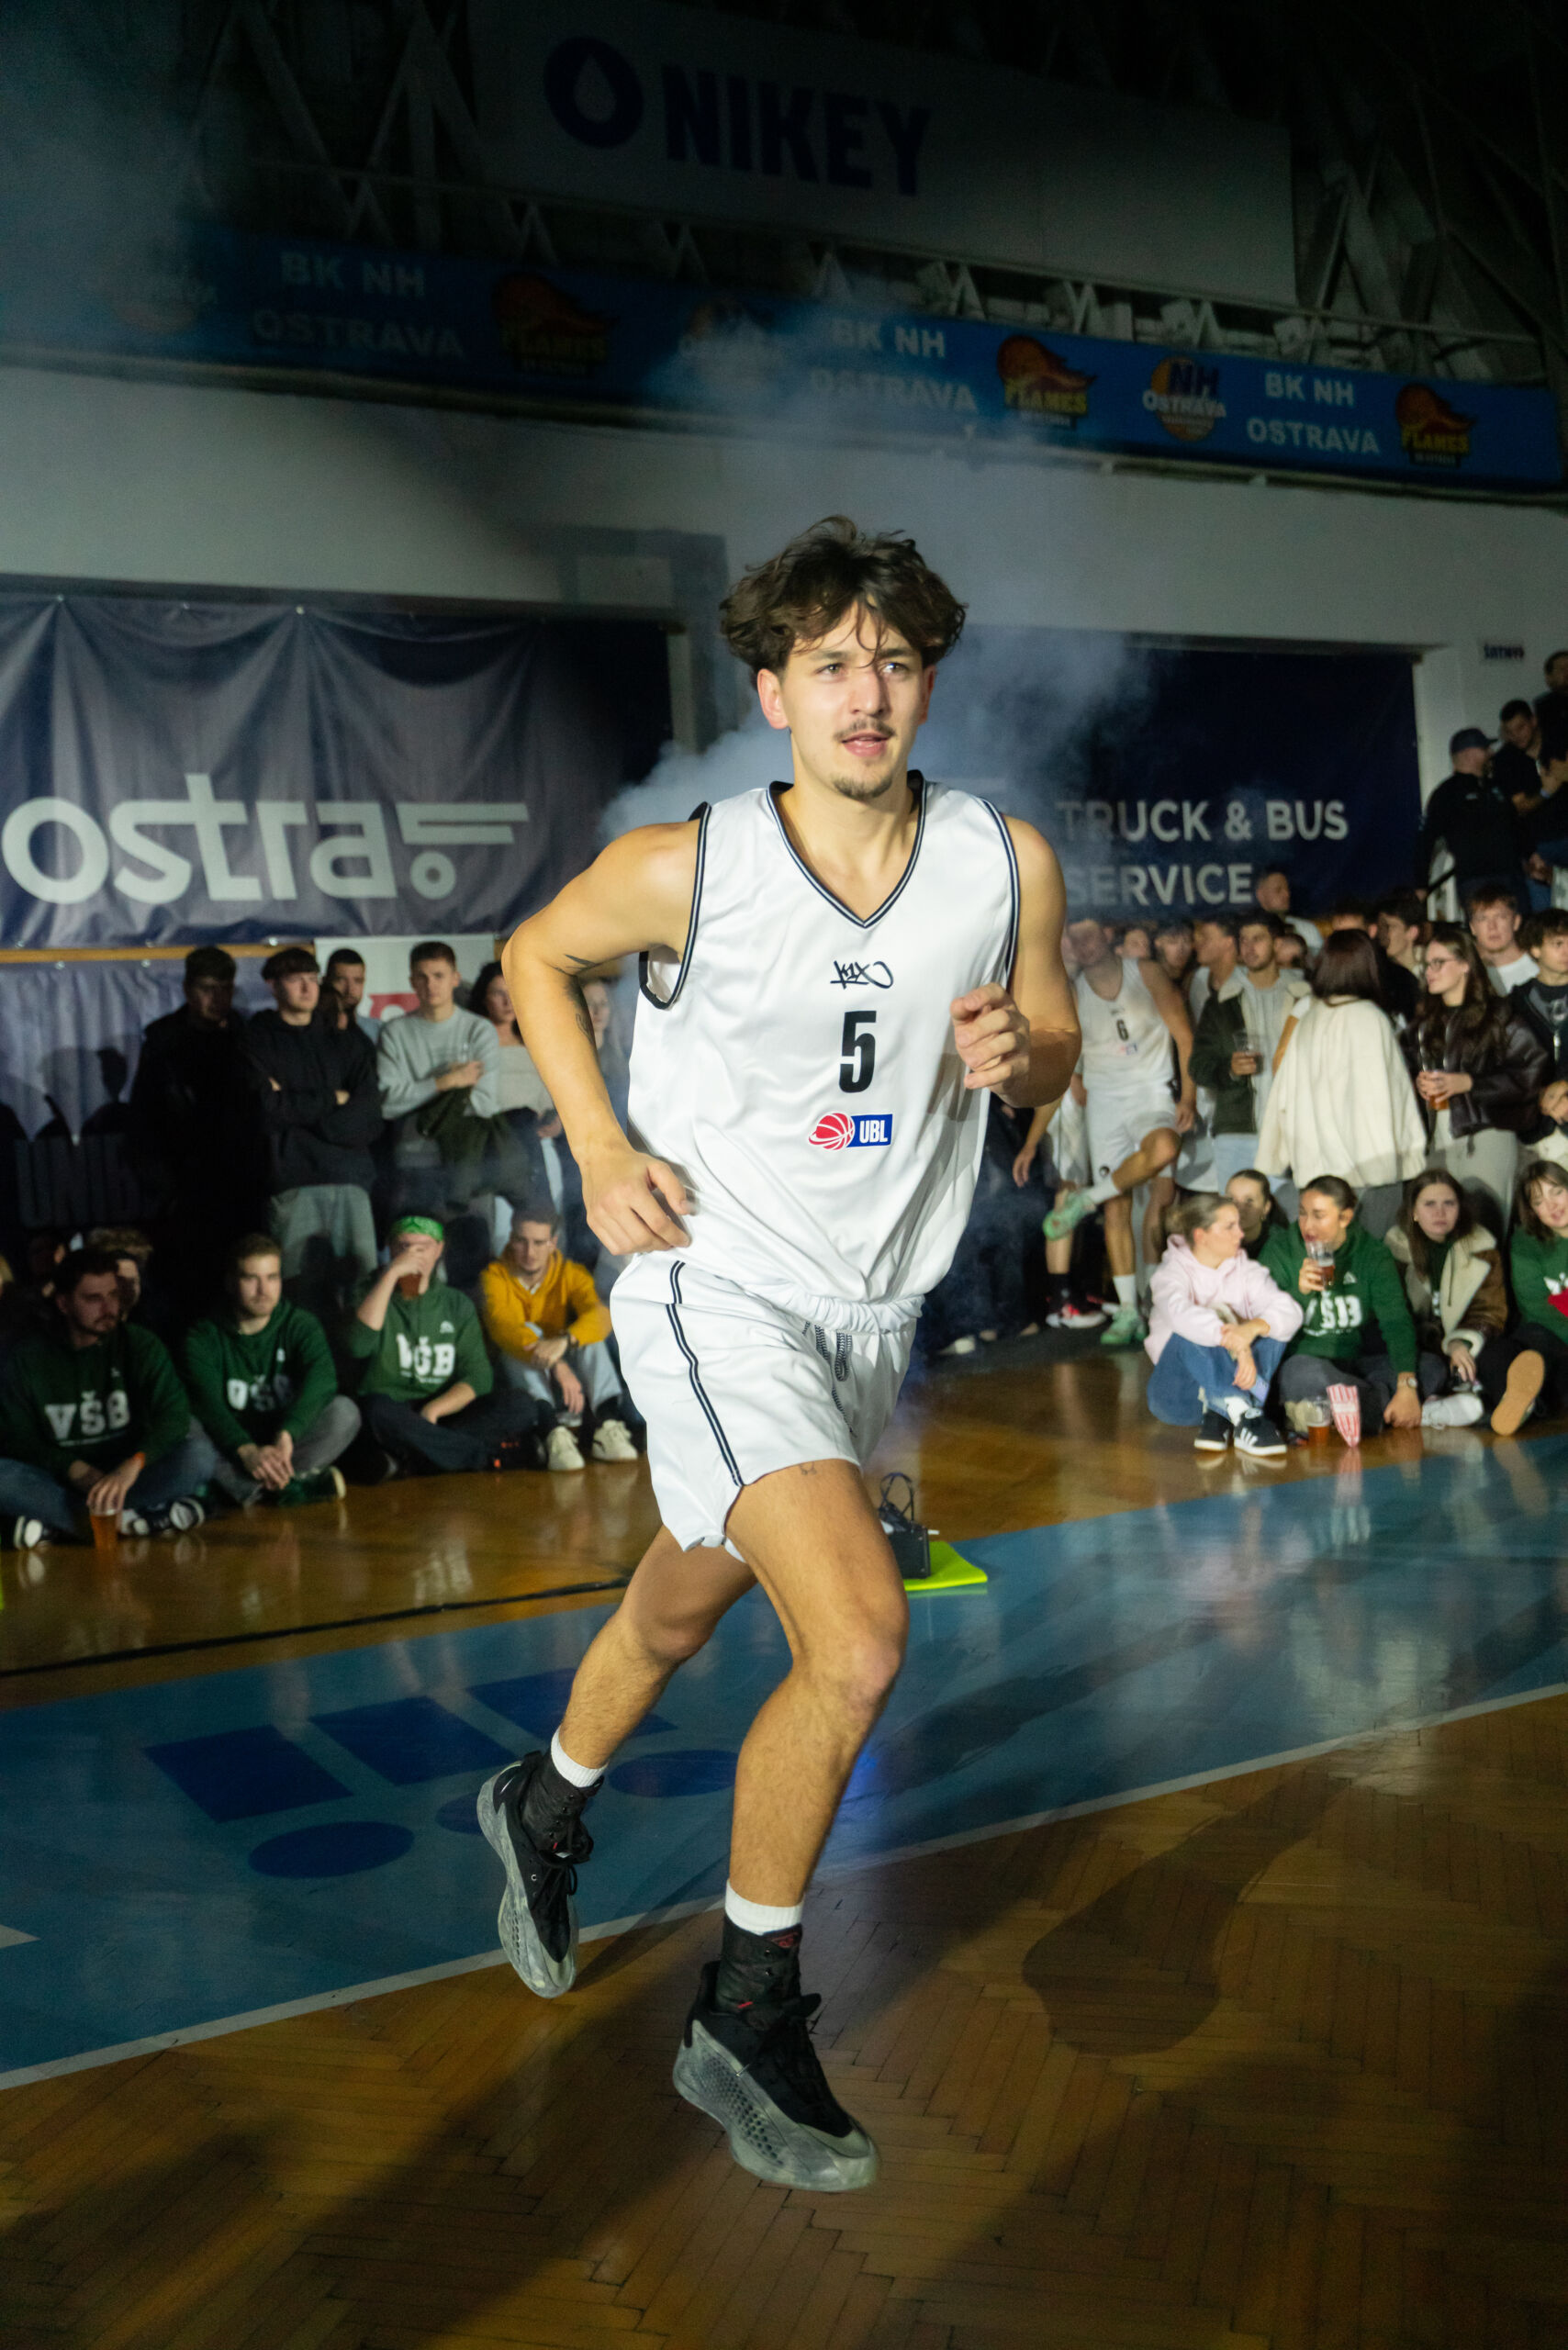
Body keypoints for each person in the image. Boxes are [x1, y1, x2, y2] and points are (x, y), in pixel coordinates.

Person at [487, 513, 1079, 2192]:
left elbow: (1051, 1044)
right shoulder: (694, 864)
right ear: (774, 691)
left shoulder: (1003, 860)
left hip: (867, 1317)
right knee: (861, 1638)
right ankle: (743, 2011)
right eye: (829, 665)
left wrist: (1022, 1054)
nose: (863, 692)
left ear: (928, 679)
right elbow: (535, 957)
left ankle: (542, 1801)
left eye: (891, 660)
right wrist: (598, 1143)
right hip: (711, 1286)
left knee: (683, 1599)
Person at [1043, 913, 1193, 1346]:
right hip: (1104, 1101)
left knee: (1164, 1148)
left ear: (1109, 935)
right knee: (1118, 1206)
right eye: (1074, 938)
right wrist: (1074, 1077)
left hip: (1152, 1093)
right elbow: (1064, 1044)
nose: (1082, 944)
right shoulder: (1073, 989)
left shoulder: (1145, 973)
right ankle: (1129, 1310)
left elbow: (1185, 1035)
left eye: (1088, 935)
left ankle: (1086, 1199)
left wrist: (1188, 1096)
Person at [0, 1248, 216, 1546]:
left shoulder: (139, 1344)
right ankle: (134, 1519)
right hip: (60, 1480)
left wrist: (133, 1464)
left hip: (127, 1478)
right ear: (64, 1303)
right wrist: (72, 1468)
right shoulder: (28, 1357)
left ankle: (66, 1525)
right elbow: (16, 1437)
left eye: (113, 1295)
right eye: (93, 1299)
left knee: (199, 1456)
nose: (108, 1308)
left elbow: (174, 1414)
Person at [346, 1214, 548, 1480]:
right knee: (374, 1411)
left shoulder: (456, 1304)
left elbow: (478, 1376)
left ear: (439, 1249)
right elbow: (357, 1346)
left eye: (422, 1247)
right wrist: (391, 1275)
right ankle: (488, 1458)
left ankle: (412, 1458)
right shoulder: (368, 1292)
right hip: (393, 1412)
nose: (413, 1256)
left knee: (521, 1405)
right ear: (391, 1249)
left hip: (441, 1412)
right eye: (404, 1247)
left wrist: (434, 1410)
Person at [127, 944, 265, 1318]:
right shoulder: (163, 1044)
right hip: (186, 1196)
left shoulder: (247, 1038)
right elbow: (143, 1124)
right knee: (191, 1296)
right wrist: (167, 1192)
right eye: (207, 989)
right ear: (188, 990)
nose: (217, 998)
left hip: (243, 1191)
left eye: (225, 989)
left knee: (245, 1291)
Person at [1256, 930, 1426, 1237]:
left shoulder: (1309, 1020)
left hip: (1316, 1169)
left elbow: (1284, 1096)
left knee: (1325, 1259)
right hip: (1371, 1170)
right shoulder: (1370, 1019)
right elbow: (1388, 1100)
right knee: (1371, 1255)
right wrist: (1409, 1156)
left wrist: (1280, 1154)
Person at [245, 947, 382, 1322]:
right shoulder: (257, 1040)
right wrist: (333, 1099)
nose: (307, 988)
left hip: (350, 1179)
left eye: (311, 978)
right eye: (295, 980)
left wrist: (296, 1107)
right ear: (273, 986)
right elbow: (264, 1110)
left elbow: (369, 1116)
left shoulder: (347, 1042)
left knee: (361, 1291)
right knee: (295, 1293)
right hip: (292, 1181)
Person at [185, 1234, 360, 1507]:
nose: (263, 1290)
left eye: (272, 1277)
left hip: (284, 1443)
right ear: (231, 1283)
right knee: (184, 1423)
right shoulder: (203, 1336)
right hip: (232, 1445)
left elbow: (322, 1381)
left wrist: (287, 1434)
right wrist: (245, 1450)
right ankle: (283, 1488)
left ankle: (255, 1488)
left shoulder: (300, 1324)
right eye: (251, 1278)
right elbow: (206, 1404)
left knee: (344, 1412)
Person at [1402, 924, 1545, 1227]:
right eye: (1427, 964)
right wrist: (1416, 1083)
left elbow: (1532, 1072)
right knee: (1442, 1233)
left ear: (1465, 964)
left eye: (1439, 963)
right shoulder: (1425, 1022)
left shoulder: (1498, 1016)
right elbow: (1405, 1068)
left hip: (1484, 1136)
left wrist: (1470, 1083)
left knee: (1484, 1229)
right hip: (1437, 1140)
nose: (1430, 972)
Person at [1260, 1176, 1426, 1431]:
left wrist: (1407, 1385)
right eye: (1302, 1213)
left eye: (1319, 1216)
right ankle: (1385, 1408)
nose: (1307, 1225)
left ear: (1345, 1218)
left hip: (1356, 1362)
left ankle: (1333, 1411)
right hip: (1305, 1361)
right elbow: (1263, 1321)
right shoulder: (1280, 1250)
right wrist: (1299, 1293)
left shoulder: (1371, 1253)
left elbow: (1395, 1321)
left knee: (1429, 1369)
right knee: (1301, 1376)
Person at [479, 1204, 637, 1470]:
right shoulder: (494, 1276)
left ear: (553, 1243)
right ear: (511, 1239)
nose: (530, 1252)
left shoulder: (569, 1273)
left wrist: (565, 1341)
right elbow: (503, 1327)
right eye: (522, 1241)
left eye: (539, 1243)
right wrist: (557, 1363)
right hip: (517, 1376)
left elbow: (601, 1315)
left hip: (562, 1365)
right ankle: (551, 1432)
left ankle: (607, 1424)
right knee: (525, 1336)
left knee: (589, 1337)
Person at [1144, 1192, 1300, 1453]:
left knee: (1274, 1326)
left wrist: (1251, 1329)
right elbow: (1181, 1314)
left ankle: (1225, 1414)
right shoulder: (1169, 1275)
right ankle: (1241, 1412)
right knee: (1190, 1328)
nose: (1240, 1233)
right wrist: (1238, 1343)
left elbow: (1290, 1311)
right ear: (1201, 1235)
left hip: (1246, 1386)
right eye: (1230, 1227)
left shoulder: (1246, 1270)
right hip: (1181, 1399)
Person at [1385, 1170, 1525, 1432]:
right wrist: (1440, 1344)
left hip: (1465, 1341)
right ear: (1414, 1212)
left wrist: (1460, 1342)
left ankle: (1510, 1405)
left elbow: (1490, 1310)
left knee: (1502, 1354)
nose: (1440, 1213)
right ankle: (1452, 1406)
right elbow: (1393, 1314)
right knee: (1420, 1366)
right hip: (1419, 1342)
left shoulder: (1481, 1246)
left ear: (1460, 1208)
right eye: (1430, 1204)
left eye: (1449, 1203)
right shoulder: (1395, 1249)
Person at [1188, 913, 1310, 1192]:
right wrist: (1229, 1069)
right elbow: (1198, 1066)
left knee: (1290, 1211)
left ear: (1277, 944)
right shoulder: (1221, 1002)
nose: (1249, 947)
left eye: (1258, 939)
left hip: (1292, 1128)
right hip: (1238, 1130)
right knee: (1234, 1215)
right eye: (1243, 940)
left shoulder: (1304, 996)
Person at [376, 943, 501, 1215]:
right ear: (412, 981)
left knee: (471, 1241)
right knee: (415, 1240)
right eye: (422, 977)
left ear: (455, 978)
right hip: (414, 1160)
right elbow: (388, 1103)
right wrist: (447, 1082)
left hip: (468, 1160)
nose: (430, 985)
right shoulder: (395, 1032)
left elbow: (484, 1103)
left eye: (439, 976)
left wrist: (417, 1095)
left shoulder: (478, 1031)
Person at [1415, 730, 1528, 914]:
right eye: (1485, 749)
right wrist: (1420, 884)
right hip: (1476, 880)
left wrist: (1530, 854)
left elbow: (1516, 825)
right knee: (1487, 928)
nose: (1491, 753)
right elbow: (1425, 840)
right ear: (1468, 754)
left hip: (1512, 876)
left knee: (1521, 926)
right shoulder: (1446, 793)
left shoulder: (1495, 787)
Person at [1505, 1158, 1568, 1430]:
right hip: (1550, 1336)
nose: (1552, 1206)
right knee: (1531, 1344)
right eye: (1539, 1201)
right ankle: (1523, 1401)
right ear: (1532, 1210)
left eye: (1557, 1192)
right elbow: (1535, 1305)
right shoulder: (1525, 1243)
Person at [1512, 908, 1568, 1171]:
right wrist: (1542, 1096)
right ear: (1535, 949)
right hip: (1534, 1130)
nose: (1567, 950)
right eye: (1558, 943)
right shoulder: (1516, 1003)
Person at [1467, 885, 1538, 994]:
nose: (1492, 926)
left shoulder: (1538, 968)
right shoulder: (1464, 971)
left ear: (1516, 922)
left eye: (1501, 917)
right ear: (1472, 927)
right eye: (1483, 919)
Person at [1225, 1166, 1290, 1256]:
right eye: (1231, 1199)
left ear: (1266, 1208)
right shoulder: (1212, 1238)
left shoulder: (1280, 1247)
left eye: (1249, 1201)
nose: (1239, 1208)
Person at [1494, 699, 1544, 811]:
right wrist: (1546, 792)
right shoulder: (1505, 760)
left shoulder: (1557, 742)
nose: (1516, 736)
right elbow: (1521, 806)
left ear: (1533, 721)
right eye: (1509, 732)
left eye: (1520, 728)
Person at [323, 948, 381, 1044]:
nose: (350, 989)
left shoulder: (378, 1030)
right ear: (325, 981)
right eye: (341, 980)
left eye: (358, 981)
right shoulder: (312, 1029)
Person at [1256, 867, 1319, 951]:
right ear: (1261, 895)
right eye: (1278, 890)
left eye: (1287, 889)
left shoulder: (1307, 930)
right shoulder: (1251, 932)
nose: (1286, 895)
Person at [1374, 890, 1427, 980]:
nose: (1382, 934)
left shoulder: (1429, 975)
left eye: (1389, 927)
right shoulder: (1378, 975)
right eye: (1381, 928)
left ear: (1412, 932)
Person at [1152, 916, 1197, 1000]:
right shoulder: (1148, 978)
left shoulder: (1197, 979)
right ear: (1158, 943)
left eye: (1187, 941)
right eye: (1172, 942)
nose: (1181, 949)